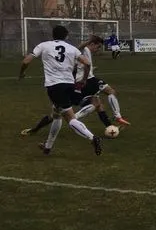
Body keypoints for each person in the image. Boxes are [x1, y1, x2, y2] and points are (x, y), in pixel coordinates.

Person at [17, 25, 103, 156]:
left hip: (55, 86)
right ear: (66, 36)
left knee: (70, 118)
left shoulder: (44, 45)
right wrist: (84, 79)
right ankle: (47, 147)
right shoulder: (72, 48)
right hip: (70, 84)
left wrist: (22, 73)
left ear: (53, 35)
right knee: (57, 115)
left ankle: (92, 138)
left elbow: (26, 61)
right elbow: (87, 63)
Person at [73, 35, 131, 128]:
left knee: (98, 105)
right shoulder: (86, 49)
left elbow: (80, 66)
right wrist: (88, 41)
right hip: (88, 80)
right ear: (92, 44)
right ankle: (117, 116)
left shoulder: (85, 52)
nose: (98, 49)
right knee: (110, 92)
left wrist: (91, 69)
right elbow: (78, 48)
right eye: (98, 46)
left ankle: (109, 126)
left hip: (84, 80)